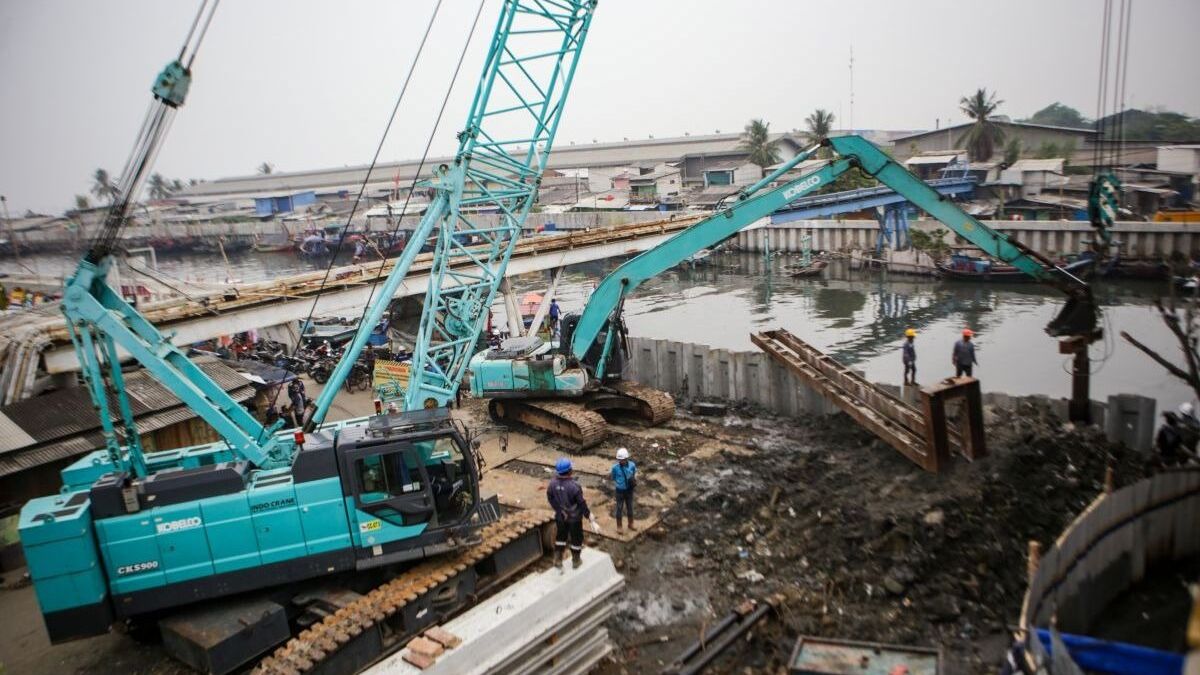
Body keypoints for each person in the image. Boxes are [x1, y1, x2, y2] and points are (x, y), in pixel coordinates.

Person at [546, 457, 600, 569]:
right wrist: (589, 517)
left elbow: (550, 498)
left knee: (560, 537)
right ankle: (576, 560)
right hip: (574, 519)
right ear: (570, 471)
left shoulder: (552, 484)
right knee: (576, 539)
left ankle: (557, 559)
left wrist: (559, 510)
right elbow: (581, 503)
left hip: (561, 517)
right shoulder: (574, 487)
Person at [610, 447, 638, 531]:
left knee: (630, 507)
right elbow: (613, 477)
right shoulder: (615, 468)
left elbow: (634, 474)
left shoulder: (632, 465)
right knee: (619, 508)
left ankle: (631, 524)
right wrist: (620, 484)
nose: (620, 461)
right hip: (620, 491)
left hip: (629, 490)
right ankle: (619, 526)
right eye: (619, 459)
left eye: (622, 460)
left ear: (626, 458)